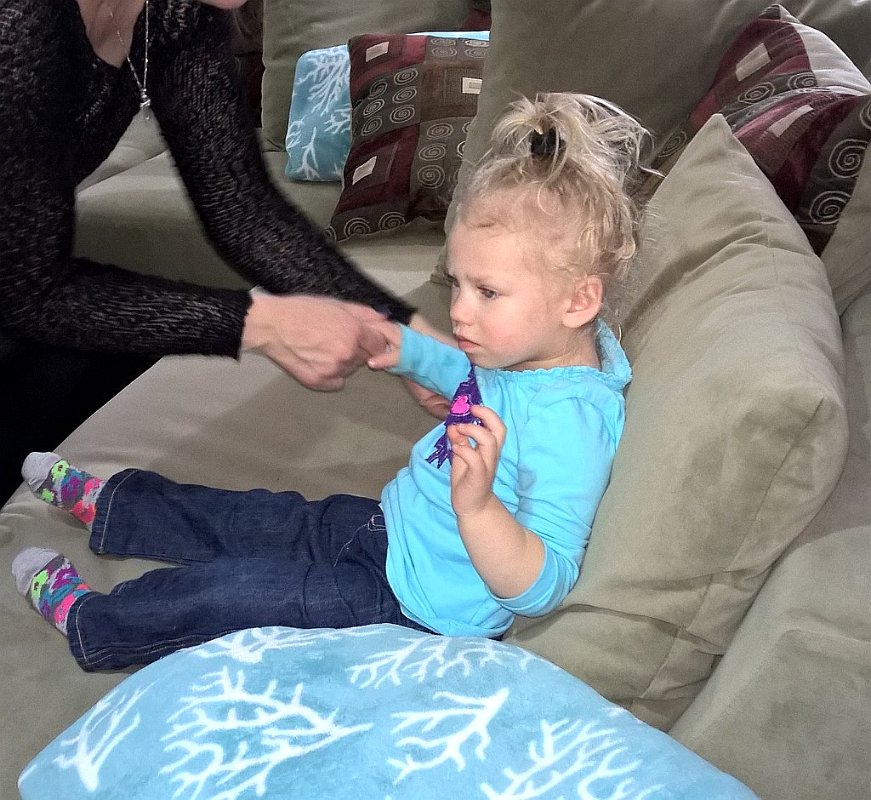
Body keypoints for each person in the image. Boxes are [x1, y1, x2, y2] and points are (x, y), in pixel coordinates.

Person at [12, 92, 649, 671]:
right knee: (251, 516)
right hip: (384, 528)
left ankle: (97, 623)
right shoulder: (529, 353)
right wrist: (406, 350)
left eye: (487, 292)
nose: (459, 311)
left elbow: (543, 585)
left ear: (578, 300)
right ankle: (117, 507)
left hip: (408, 607)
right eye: (457, 283)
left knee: (236, 595)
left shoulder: (573, 424)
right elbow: (467, 378)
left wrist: (479, 509)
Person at [0, 0, 422, 499]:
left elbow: (243, 211)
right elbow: (30, 296)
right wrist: (262, 323)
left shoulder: (178, 15)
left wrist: (411, 338)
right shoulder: (19, 25)